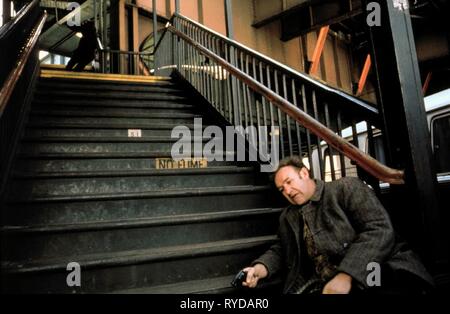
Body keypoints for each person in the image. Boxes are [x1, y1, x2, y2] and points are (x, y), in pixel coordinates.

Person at [240, 155, 434, 294]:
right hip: (320, 284)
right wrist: (259, 269)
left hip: (378, 272)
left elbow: (379, 230)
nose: (288, 191)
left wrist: (346, 275)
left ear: (305, 173)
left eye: (290, 182)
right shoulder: (287, 216)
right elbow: (282, 249)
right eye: (282, 189)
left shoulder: (344, 188)